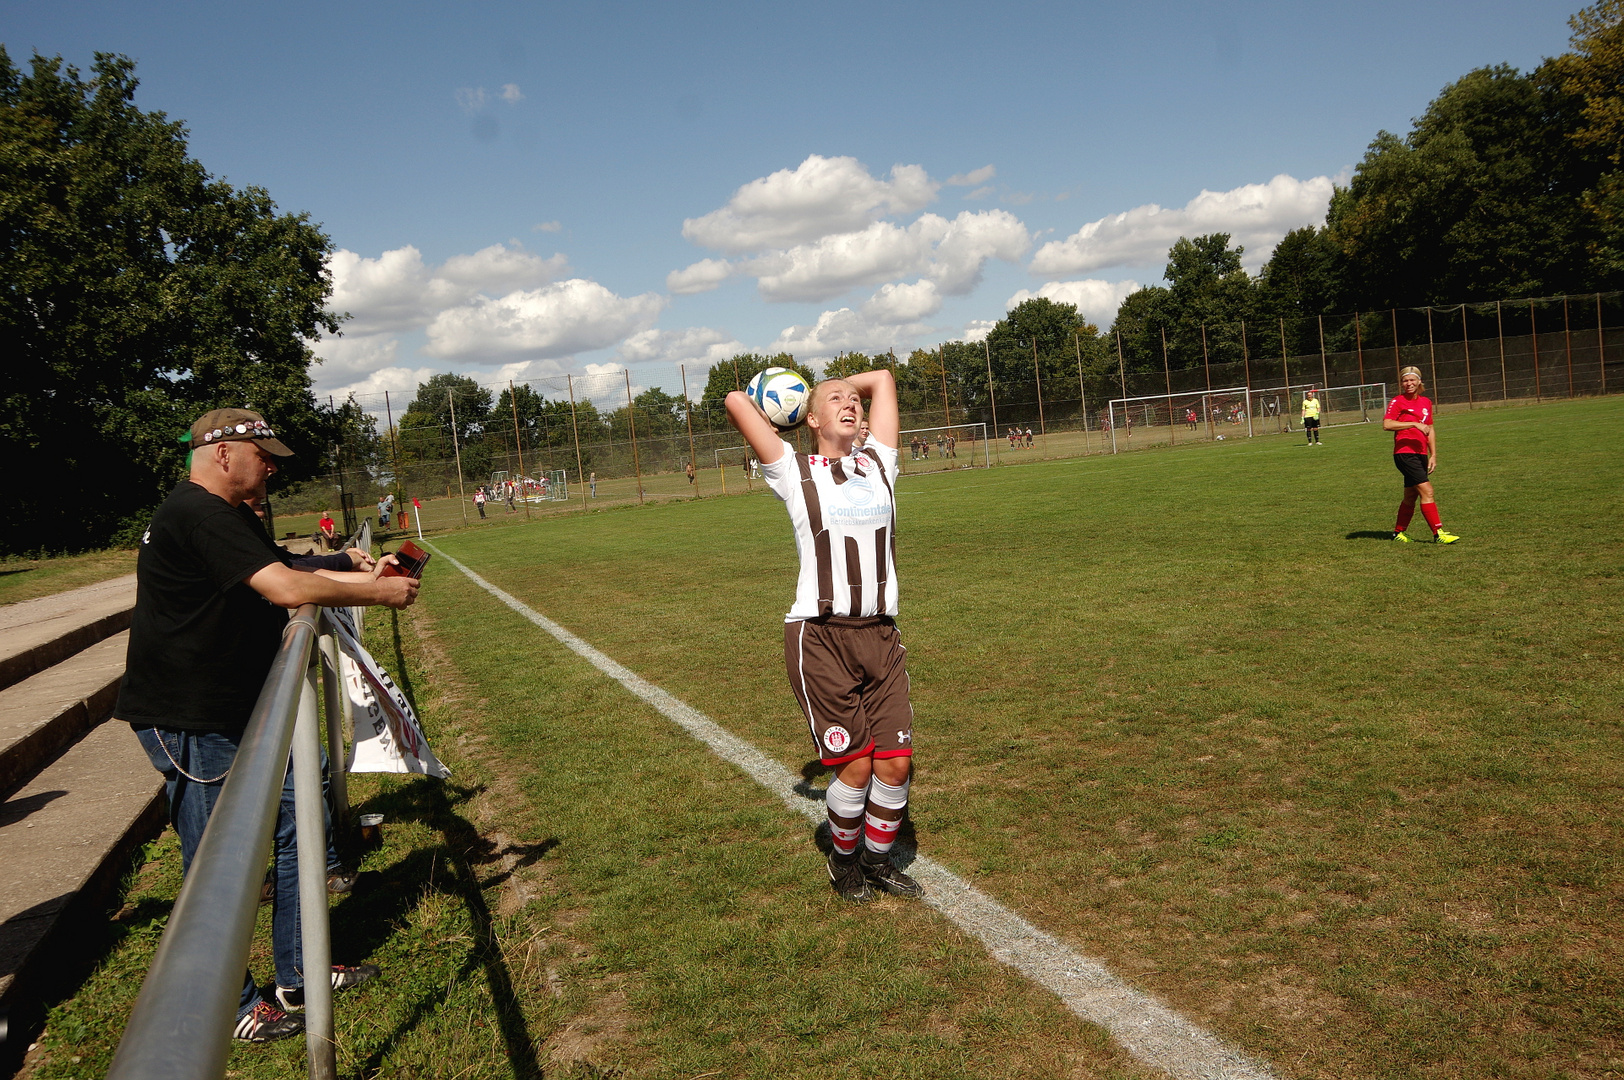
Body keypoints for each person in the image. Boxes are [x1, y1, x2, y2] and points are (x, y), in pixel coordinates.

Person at [115, 408, 419, 1044]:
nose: (273, 466)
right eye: (264, 454)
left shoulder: (222, 516)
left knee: (292, 829)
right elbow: (282, 586)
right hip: (191, 721)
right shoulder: (196, 512)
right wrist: (380, 593)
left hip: (228, 713)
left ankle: (300, 972)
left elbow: (284, 564)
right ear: (223, 453)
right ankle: (230, 1007)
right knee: (217, 866)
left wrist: (348, 563)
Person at [725, 371, 923, 904]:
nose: (851, 403)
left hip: (882, 633)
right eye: (835, 400)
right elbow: (736, 401)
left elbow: (882, 379)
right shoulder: (794, 472)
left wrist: (835, 387)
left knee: (896, 763)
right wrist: (801, 390)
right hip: (821, 637)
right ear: (809, 419)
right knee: (856, 767)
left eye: (854, 401)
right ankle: (844, 862)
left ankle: (878, 861)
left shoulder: (880, 463)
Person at [1384, 367, 1460, 543]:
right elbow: (1387, 424)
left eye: (1412, 380)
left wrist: (1433, 455)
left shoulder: (1426, 402)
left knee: (1411, 495)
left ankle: (1398, 533)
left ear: (1419, 381)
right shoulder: (1398, 401)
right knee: (1428, 491)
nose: (1409, 384)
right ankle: (1438, 533)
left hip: (1420, 453)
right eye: (1405, 381)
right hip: (1404, 453)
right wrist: (1413, 424)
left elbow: (1430, 428)